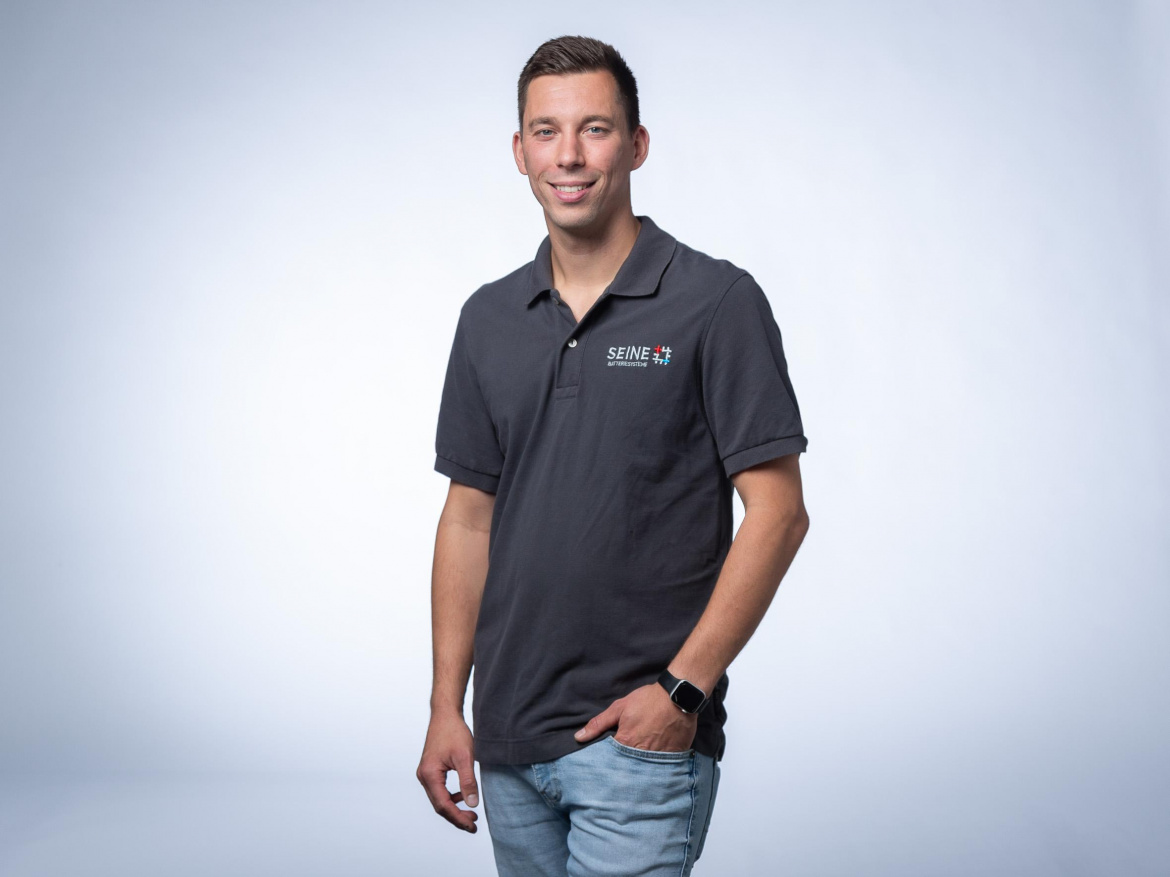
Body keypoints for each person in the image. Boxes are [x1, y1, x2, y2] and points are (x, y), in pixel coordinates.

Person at [417, 34, 810, 877]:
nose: (569, 155)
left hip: (639, 743)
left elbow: (779, 514)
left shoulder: (716, 302)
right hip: (508, 742)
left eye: (594, 129)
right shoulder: (488, 319)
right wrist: (448, 704)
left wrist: (681, 692)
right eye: (547, 131)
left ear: (635, 144)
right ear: (519, 151)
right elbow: (468, 519)